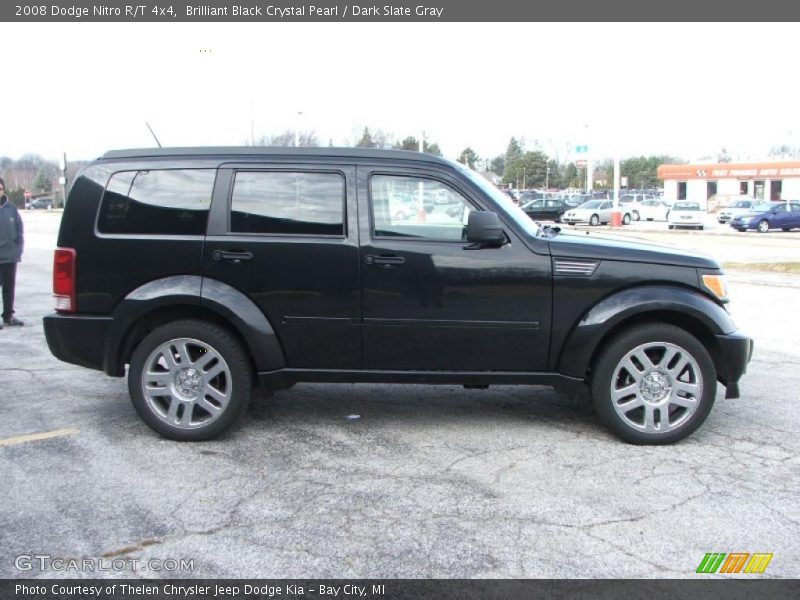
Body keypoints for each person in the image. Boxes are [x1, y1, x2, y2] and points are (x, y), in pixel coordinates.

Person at [0, 177, 24, 328]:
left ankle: (8, 316)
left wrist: (18, 249)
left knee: (9, 288)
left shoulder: (11, 209)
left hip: (10, 257)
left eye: (0, 188)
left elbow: (19, 230)